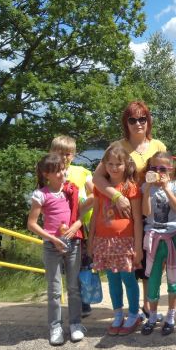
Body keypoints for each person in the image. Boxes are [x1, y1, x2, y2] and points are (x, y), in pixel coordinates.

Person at [92, 100, 166, 321]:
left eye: (142, 119)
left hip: (151, 209)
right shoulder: (117, 146)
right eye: (132, 120)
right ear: (126, 123)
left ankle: (147, 304)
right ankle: (132, 309)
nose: (138, 123)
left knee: (149, 258)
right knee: (130, 260)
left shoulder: (158, 146)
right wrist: (117, 197)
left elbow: (167, 173)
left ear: (148, 121)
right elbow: (97, 177)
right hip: (125, 211)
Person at [27, 153, 86, 345]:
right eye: (57, 171)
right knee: (54, 289)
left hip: (73, 243)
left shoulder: (71, 190)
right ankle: (55, 326)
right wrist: (52, 239)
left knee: (73, 287)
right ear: (46, 174)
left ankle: (76, 324)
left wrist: (77, 224)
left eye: (63, 169)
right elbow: (31, 224)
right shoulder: (41, 194)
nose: (62, 173)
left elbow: (82, 212)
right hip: (51, 246)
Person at [88, 144, 144, 336]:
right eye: (110, 164)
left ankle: (134, 314)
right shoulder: (101, 188)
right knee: (112, 280)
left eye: (118, 164)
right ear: (104, 165)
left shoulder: (131, 187)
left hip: (125, 242)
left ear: (126, 165)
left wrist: (138, 247)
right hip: (104, 241)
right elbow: (95, 214)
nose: (114, 168)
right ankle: (118, 314)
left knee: (128, 279)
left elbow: (137, 219)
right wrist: (90, 241)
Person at [50, 135, 95, 317]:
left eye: (68, 154)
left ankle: (84, 302)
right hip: (57, 228)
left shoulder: (82, 172)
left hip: (80, 226)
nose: (64, 157)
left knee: (82, 265)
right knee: (63, 267)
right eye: (59, 153)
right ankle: (67, 302)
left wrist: (81, 209)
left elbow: (95, 195)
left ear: (74, 155)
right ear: (52, 153)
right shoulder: (48, 174)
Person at [140, 152, 176, 336]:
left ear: (170, 170)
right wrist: (148, 188)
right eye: (153, 168)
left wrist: (166, 189)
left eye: (162, 169)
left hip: (173, 237)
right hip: (153, 238)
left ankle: (171, 315)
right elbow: (146, 212)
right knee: (153, 279)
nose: (158, 172)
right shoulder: (146, 187)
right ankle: (152, 316)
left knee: (173, 279)